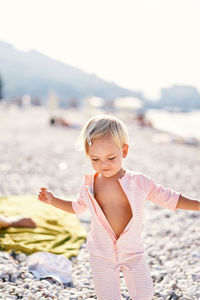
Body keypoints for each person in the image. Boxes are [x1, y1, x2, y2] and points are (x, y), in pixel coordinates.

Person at [38, 114, 200, 300]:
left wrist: (197, 205)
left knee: (145, 294)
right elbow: (77, 207)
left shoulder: (139, 182)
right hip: (101, 254)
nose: (103, 165)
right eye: (95, 159)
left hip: (132, 251)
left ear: (124, 151)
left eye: (111, 157)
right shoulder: (89, 185)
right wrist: (53, 200)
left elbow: (169, 197)